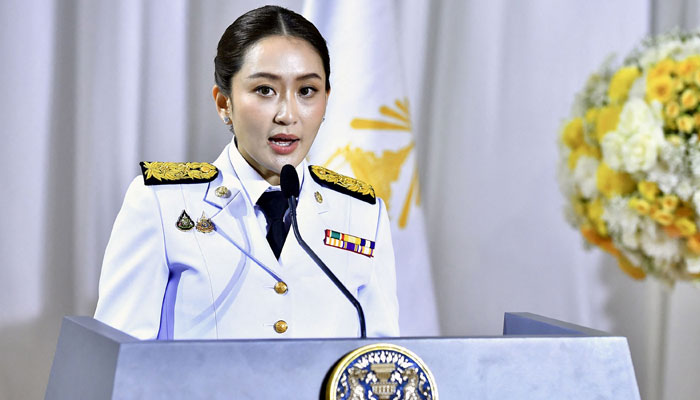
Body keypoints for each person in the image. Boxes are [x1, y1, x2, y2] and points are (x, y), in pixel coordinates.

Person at [94, 5, 399, 340]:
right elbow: (118, 364)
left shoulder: (361, 213)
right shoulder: (160, 204)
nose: (287, 114)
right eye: (265, 90)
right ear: (224, 103)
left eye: (306, 91)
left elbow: (380, 362)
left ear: (327, 99)